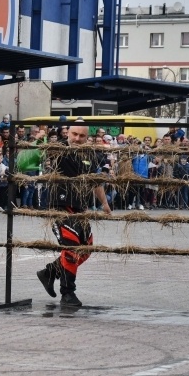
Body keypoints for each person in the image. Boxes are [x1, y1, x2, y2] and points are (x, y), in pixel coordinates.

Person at [36, 123, 111, 307]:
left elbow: (96, 182)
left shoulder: (90, 155)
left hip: (80, 209)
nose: (77, 139)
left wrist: (105, 204)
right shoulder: (58, 149)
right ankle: (68, 293)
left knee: (86, 249)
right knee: (71, 248)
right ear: (67, 133)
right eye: (74, 134)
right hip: (60, 206)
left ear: (88, 137)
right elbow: (37, 154)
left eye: (81, 136)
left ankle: (50, 272)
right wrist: (39, 138)